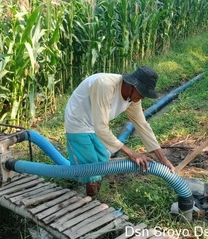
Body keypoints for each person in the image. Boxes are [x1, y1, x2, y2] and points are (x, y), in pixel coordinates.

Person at [65, 66, 176, 197]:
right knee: (92, 169)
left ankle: (94, 197)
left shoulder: (132, 98)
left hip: (94, 124)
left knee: (102, 161)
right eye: (141, 94)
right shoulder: (106, 85)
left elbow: (142, 125)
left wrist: (163, 159)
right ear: (132, 85)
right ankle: (90, 203)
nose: (142, 98)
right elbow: (101, 128)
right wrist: (131, 153)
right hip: (78, 121)